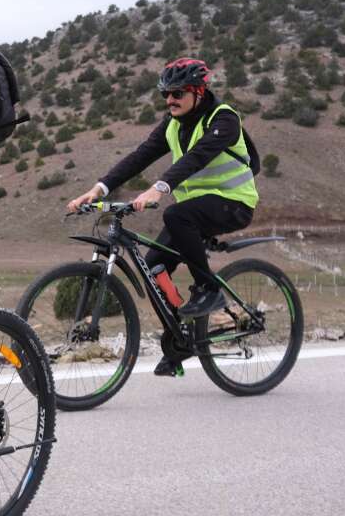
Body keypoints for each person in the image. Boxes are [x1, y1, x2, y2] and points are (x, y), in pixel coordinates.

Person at [67, 58, 258, 375]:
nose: (170, 100)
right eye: (165, 94)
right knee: (154, 267)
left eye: (178, 93)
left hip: (233, 204)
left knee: (176, 214)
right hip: (193, 213)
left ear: (199, 91)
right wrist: (98, 189)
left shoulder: (224, 119)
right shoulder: (172, 124)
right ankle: (179, 342)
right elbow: (139, 157)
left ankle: (209, 289)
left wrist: (160, 187)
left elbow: (198, 157)